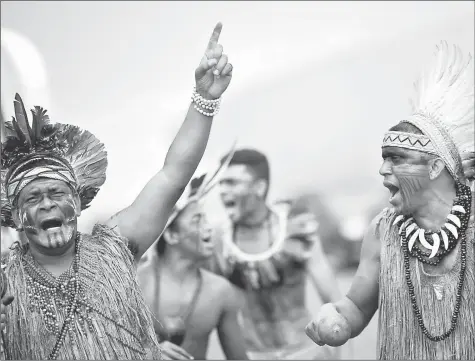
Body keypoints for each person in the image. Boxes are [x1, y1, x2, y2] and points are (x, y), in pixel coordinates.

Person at [0, 22, 234, 360]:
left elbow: (172, 177)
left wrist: (205, 99)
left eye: (56, 193)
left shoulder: (115, 248)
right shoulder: (6, 282)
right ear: (16, 216)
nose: (48, 204)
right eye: (33, 198)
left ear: (78, 203)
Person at [305, 41, 475, 360]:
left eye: (396, 158)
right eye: (384, 158)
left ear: (436, 166)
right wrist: (335, 318)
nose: (383, 169)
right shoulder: (382, 232)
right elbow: (356, 304)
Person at [206, 148, 341, 360]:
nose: (223, 190)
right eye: (221, 183)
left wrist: (338, 345)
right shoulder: (218, 240)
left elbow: (331, 295)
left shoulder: (296, 228)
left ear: (259, 187)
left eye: (232, 182)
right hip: (253, 354)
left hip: (303, 351)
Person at [137, 173, 248, 360]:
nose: (209, 227)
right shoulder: (134, 284)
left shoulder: (220, 291)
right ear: (171, 236)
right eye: (197, 220)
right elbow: (102, 349)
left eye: (206, 219)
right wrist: (144, 354)